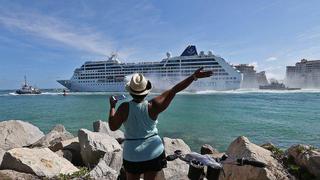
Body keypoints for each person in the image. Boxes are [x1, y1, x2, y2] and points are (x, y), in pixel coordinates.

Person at [108, 67, 213, 180]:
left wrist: (112, 106)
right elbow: (175, 90)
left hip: (132, 154)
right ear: (146, 90)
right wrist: (194, 77)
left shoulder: (124, 108)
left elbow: (113, 127)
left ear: (130, 91)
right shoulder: (154, 105)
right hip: (153, 152)